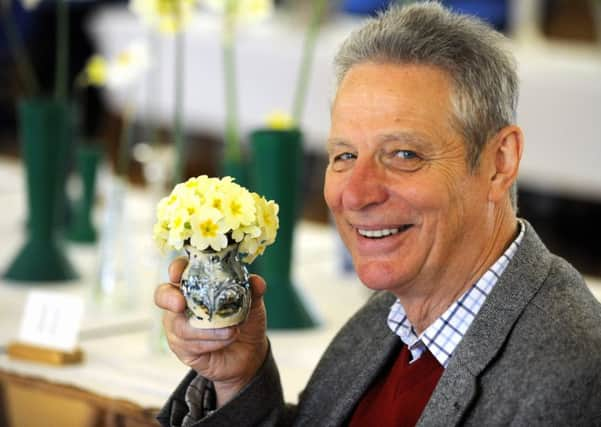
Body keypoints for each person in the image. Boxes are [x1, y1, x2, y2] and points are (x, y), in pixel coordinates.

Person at [154, 3, 601, 426]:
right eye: (344, 155)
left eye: (403, 153)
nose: (356, 194)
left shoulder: (568, 373)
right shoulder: (389, 316)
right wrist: (236, 380)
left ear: (499, 161)